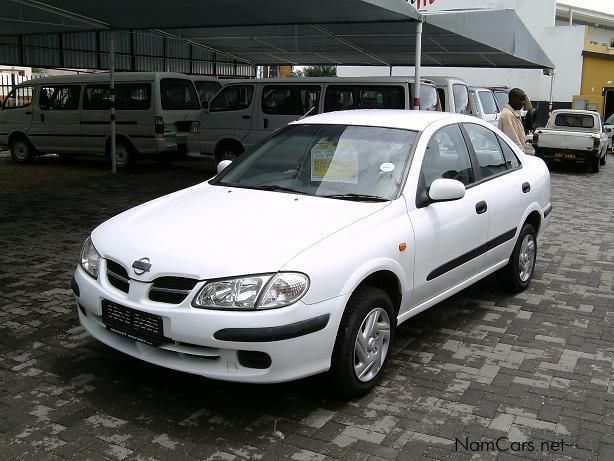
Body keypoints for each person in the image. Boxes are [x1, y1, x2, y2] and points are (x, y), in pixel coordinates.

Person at [499, 88, 530, 153]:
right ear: (513, 99)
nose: (523, 102)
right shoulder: (508, 115)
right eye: (521, 100)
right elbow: (513, 140)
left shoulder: (512, 113)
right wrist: (521, 155)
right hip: (513, 155)